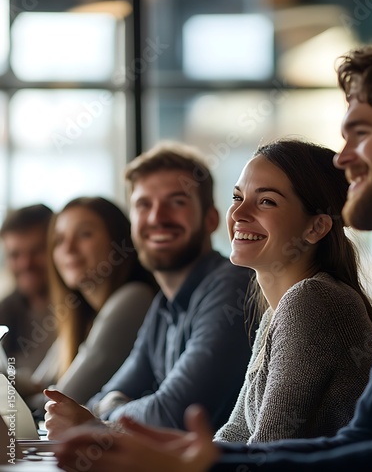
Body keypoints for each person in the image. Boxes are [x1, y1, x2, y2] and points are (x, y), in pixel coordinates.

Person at [54, 38, 372, 472]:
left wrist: (201, 463)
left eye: (360, 134)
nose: (343, 159)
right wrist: (195, 457)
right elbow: (366, 437)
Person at [44, 141, 255, 439]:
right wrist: (109, 410)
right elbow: (97, 401)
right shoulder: (162, 305)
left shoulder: (231, 284)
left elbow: (172, 414)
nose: (157, 217)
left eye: (177, 202)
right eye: (144, 205)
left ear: (210, 219)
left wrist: (107, 416)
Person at [213, 139, 372, 444]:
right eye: (237, 197)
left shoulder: (312, 300)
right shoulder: (279, 312)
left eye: (266, 201)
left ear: (315, 227)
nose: (238, 214)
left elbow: (268, 450)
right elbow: (235, 435)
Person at [28, 196, 157, 410]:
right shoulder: (83, 315)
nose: (68, 248)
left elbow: (60, 399)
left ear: (118, 242)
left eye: (84, 235)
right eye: (59, 240)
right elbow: (39, 383)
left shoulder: (134, 297)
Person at [0, 204, 55, 397]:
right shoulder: (5, 310)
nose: (26, 264)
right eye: (15, 255)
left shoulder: (81, 312)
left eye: (37, 251)